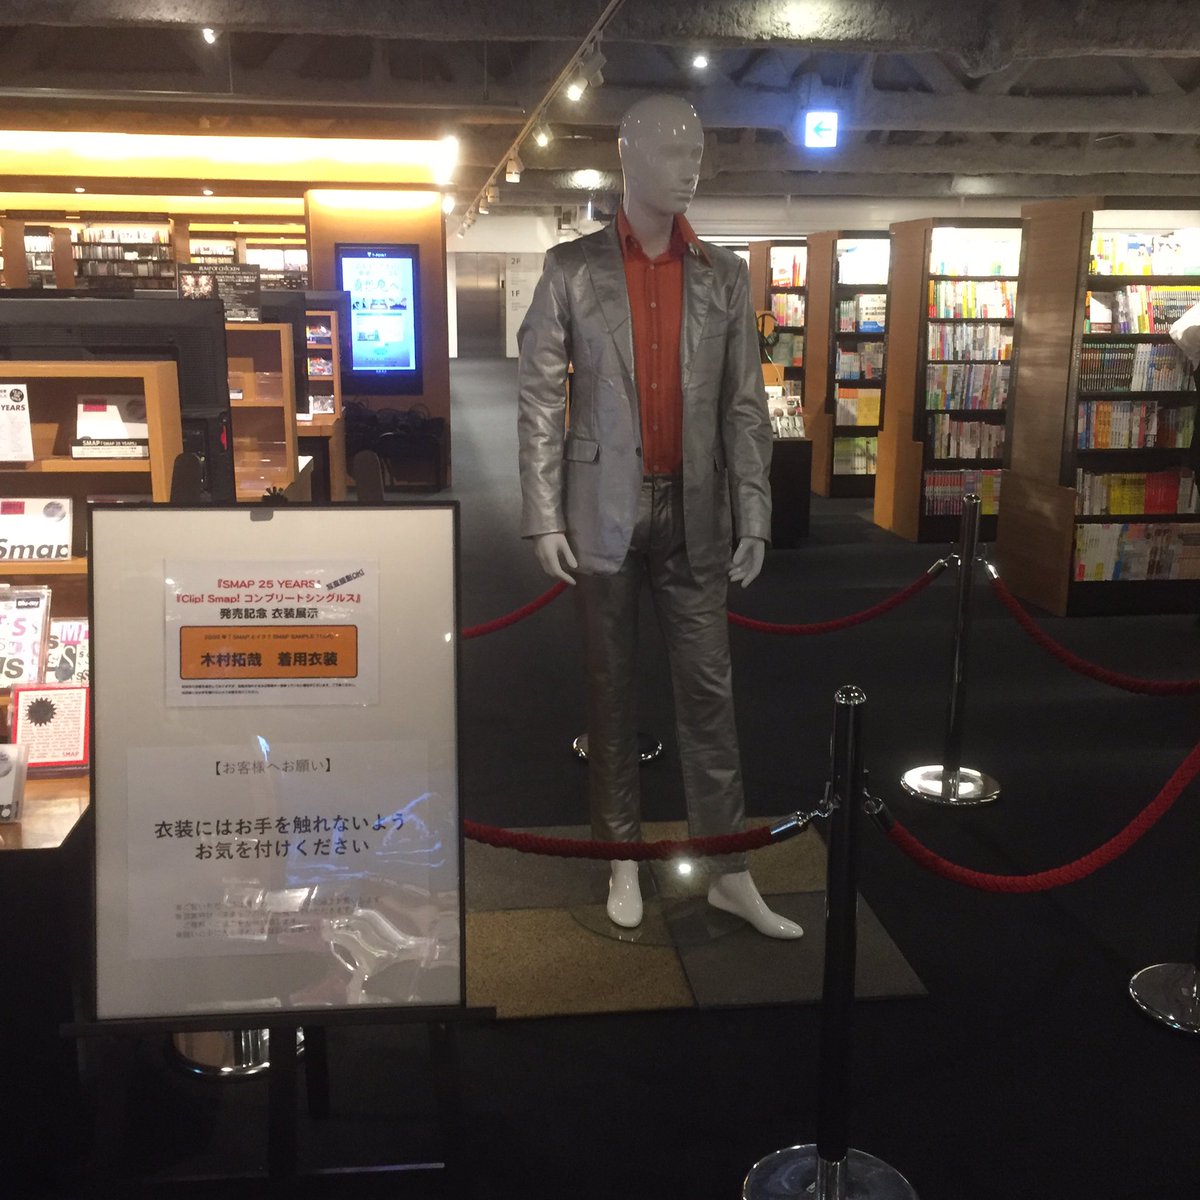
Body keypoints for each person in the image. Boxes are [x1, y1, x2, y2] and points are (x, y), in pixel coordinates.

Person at [516, 94, 802, 939]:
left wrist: (756, 511)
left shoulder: (724, 275)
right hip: (601, 510)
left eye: (698, 151)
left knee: (710, 695)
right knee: (610, 696)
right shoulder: (571, 269)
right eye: (674, 150)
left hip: (697, 511)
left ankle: (728, 869)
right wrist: (543, 515)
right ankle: (621, 857)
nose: (691, 167)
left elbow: (745, 404)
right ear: (627, 156)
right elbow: (539, 400)